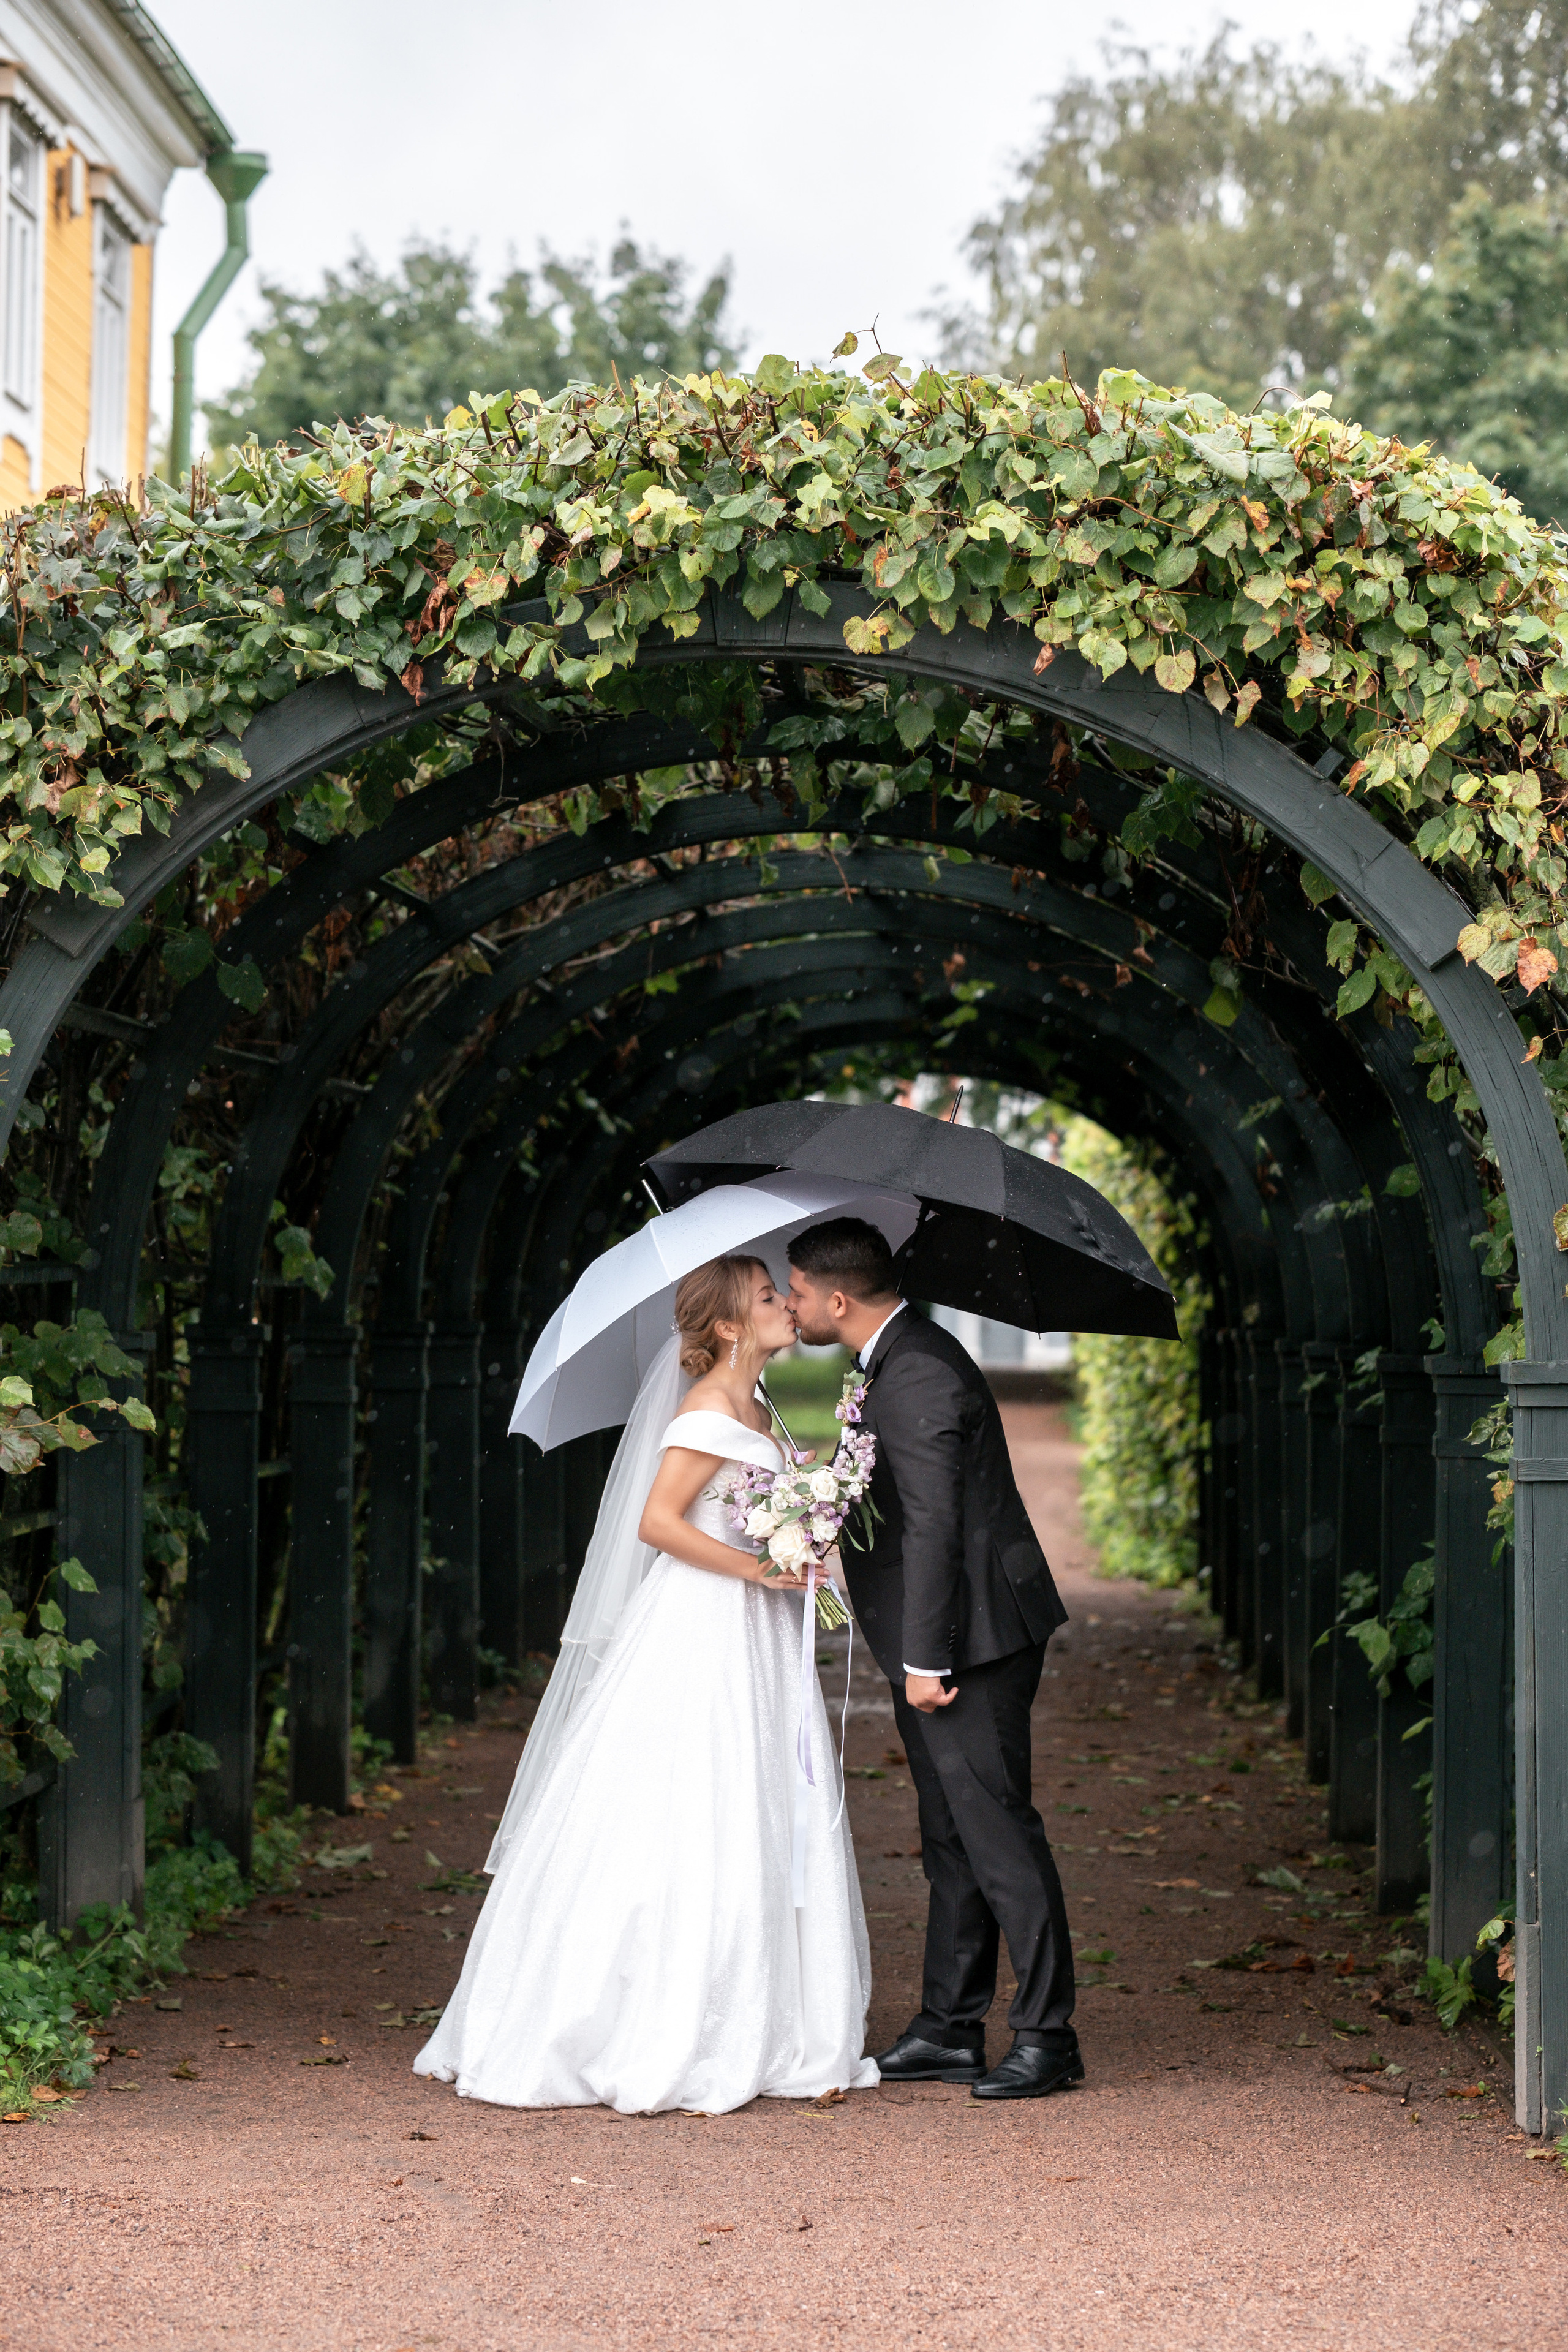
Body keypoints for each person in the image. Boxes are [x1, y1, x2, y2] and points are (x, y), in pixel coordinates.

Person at [414, 1254, 877, 2114]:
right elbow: (659, 1524)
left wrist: (802, 1525)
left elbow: (747, 1510)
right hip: (704, 1627)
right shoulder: (706, 1410)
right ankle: (645, 2018)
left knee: (757, 1799)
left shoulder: (758, 1404)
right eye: (770, 1297)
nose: (787, 1305)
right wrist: (755, 1565)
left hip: (756, 1631)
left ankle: (753, 2008)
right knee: (693, 1801)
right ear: (731, 1324)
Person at [786, 1217, 1080, 2101]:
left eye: (796, 1289)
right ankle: (951, 2026)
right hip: (963, 1633)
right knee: (953, 1838)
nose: (792, 1302)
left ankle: (1047, 2035)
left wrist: (926, 1658)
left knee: (997, 1837)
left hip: (971, 1641)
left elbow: (936, 1530)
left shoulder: (913, 1373)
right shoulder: (897, 1358)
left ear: (838, 1299)